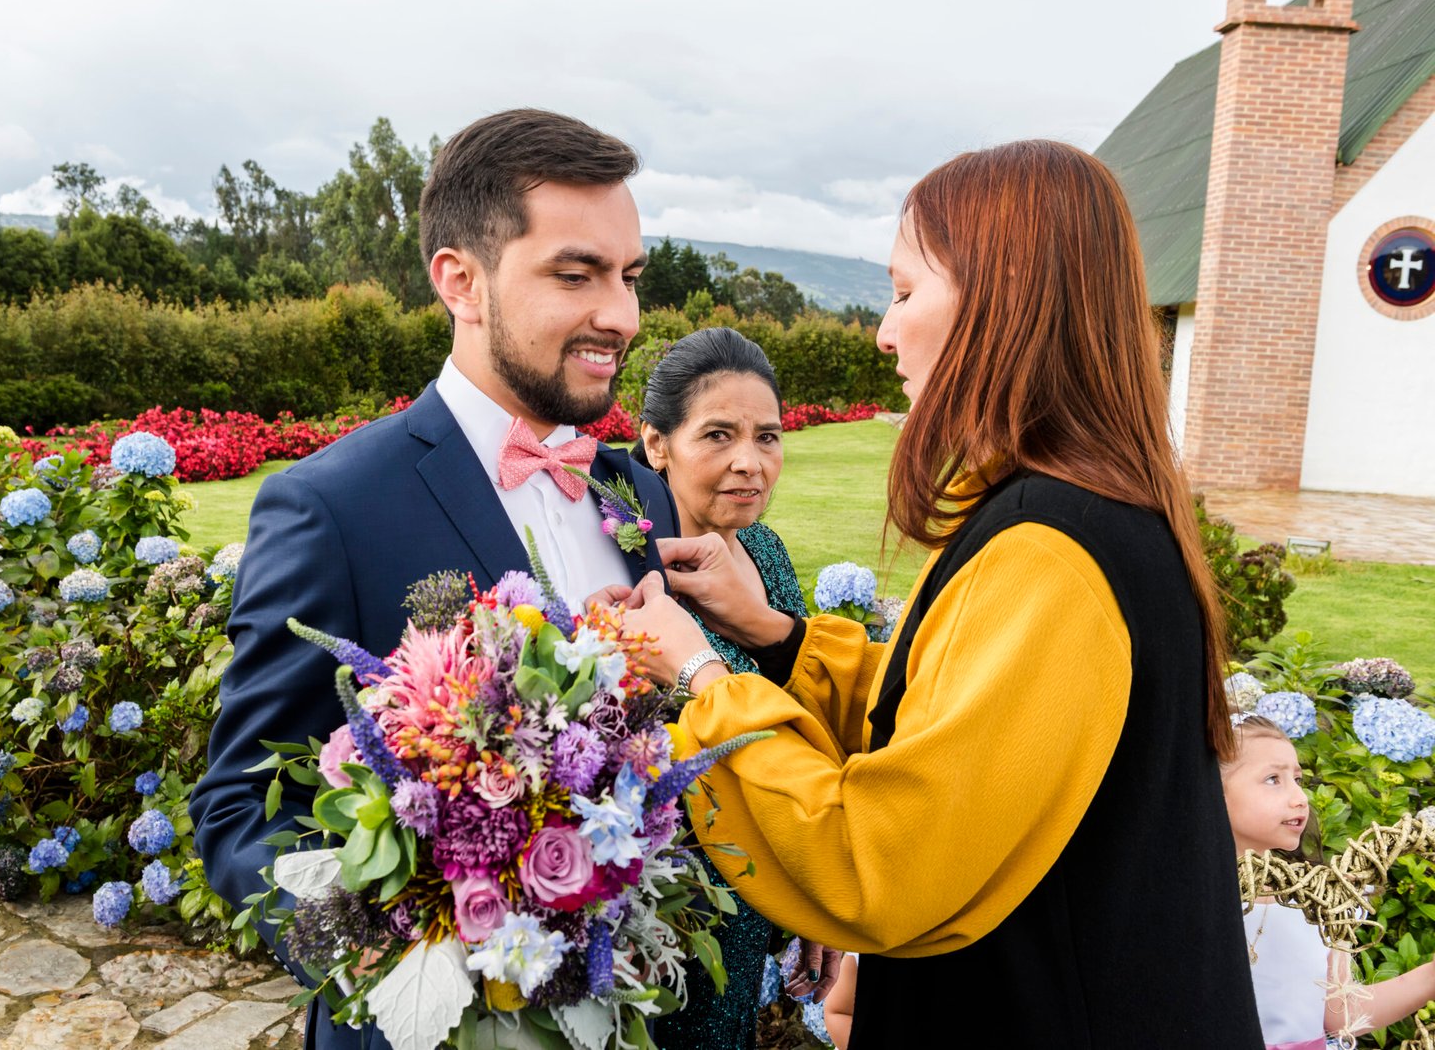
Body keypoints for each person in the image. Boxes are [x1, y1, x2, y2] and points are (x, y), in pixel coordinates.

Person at [600, 139, 1265, 1045]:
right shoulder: (1083, 510)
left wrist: (701, 682)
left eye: (907, 291)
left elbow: (879, 859)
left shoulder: (1051, 549)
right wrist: (773, 632)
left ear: (1004, 301)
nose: (883, 329)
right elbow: (957, 727)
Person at [189, 109, 679, 1050]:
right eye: (575, 274)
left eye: (628, 277)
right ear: (461, 281)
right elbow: (240, 805)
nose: (620, 314)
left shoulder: (635, 491)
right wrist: (394, 957)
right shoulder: (329, 506)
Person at [630, 327, 842, 1047]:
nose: (750, 463)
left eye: (768, 436)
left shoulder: (767, 554)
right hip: (660, 924)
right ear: (657, 445)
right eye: (718, 435)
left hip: (755, 908)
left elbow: (807, 725)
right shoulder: (624, 582)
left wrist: (816, 897)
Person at [1226, 713, 1435, 1048]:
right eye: (1272, 780)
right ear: (1209, 792)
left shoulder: (1316, 902)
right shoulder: (1188, 899)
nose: (1300, 798)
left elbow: (1341, 1013)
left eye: (1297, 779)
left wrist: (1430, 977)